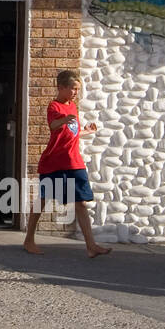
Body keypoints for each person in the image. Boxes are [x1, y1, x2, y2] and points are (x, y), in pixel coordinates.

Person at [23, 69, 111, 257]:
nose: (75, 93)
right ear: (61, 87)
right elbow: (54, 126)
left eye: (78, 89)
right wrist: (64, 119)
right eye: (72, 89)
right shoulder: (53, 106)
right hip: (54, 162)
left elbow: (72, 133)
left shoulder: (72, 107)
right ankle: (29, 240)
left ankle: (91, 245)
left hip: (74, 162)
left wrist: (86, 130)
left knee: (81, 202)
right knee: (43, 200)